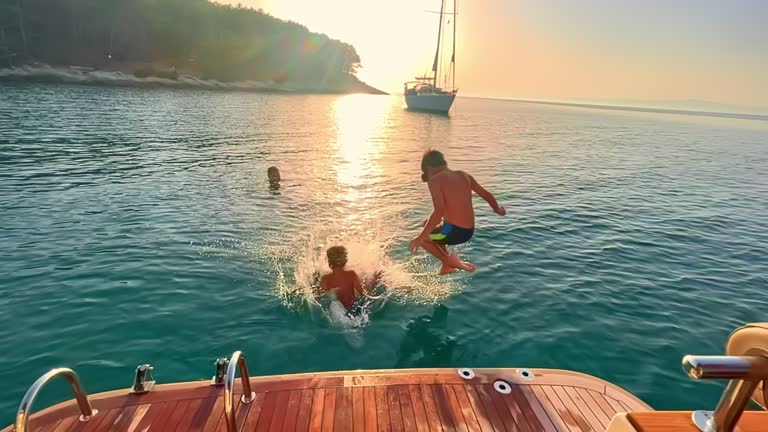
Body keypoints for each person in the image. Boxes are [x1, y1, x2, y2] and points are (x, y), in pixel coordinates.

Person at [409, 149, 506, 274]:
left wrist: (419, 239)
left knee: (425, 240)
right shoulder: (464, 175)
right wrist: (498, 209)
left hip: (454, 232)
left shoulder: (435, 180)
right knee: (426, 224)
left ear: (428, 168)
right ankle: (448, 264)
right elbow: (487, 195)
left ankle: (448, 261)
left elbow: (438, 212)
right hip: (468, 231)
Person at [319, 246, 381, 316]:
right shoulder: (351, 274)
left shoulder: (325, 278)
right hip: (353, 309)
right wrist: (375, 279)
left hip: (339, 311)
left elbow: (322, 298)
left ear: (329, 260)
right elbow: (363, 293)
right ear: (345, 259)